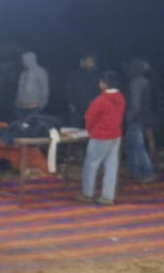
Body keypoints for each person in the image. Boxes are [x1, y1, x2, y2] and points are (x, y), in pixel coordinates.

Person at [77, 71, 125, 206]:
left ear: (104, 84)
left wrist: (90, 130)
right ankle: (107, 196)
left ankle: (87, 193)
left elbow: (89, 117)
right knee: (111, 166)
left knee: (91, 164)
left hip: (100, 135)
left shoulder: (100, 100)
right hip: (115, 134)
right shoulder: (121, 98)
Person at [124, 59, 156, 183]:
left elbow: (135, 105)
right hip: (144, 117)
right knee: (132, 145)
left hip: (136, 118)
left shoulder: (136, 83)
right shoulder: (145, 81)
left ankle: (147, 172)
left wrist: (127, 118)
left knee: (137, 146)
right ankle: (136, 172)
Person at [66, 53, 100, 128]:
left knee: (91, 128)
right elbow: (68, 90)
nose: (88, 63)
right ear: (83, 62)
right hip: (77, 109)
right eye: (87, 61)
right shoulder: (75, 74)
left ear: (94, 63)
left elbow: (99, 92)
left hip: (92, 108)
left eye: (91, 61)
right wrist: (71, 104)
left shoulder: (98, 76)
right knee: (75, 129)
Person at [15, 51, 49, 115]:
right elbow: (19, 89)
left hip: (34, 107)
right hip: (21, 106)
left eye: (25, 60)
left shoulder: (41, 72)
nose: (23, 62)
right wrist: (17, 102)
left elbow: (44, 90)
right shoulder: (23, 73)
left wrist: (42, 104)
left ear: (31, 60)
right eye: (23, 61)